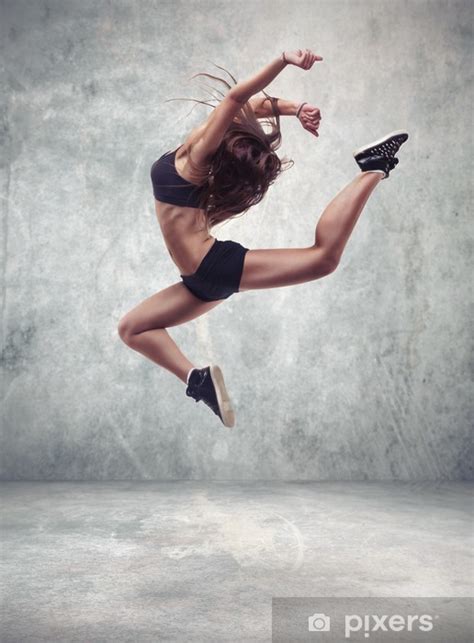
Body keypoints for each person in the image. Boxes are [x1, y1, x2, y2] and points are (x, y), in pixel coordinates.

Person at [118, 49, 408, 429]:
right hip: (197, 283)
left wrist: (283, 60)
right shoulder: (203, 139)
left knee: (323, 258)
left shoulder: (198, 158)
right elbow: (248, 106)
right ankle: (198, 381)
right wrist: (296, 106)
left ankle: (373, 169)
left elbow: (238, 98)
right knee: (132, 328)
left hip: (212, 267)